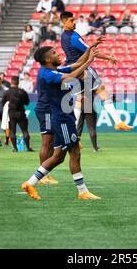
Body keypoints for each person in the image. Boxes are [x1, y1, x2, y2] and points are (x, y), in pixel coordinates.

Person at [21, 43, 101, 200]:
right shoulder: (48, 74)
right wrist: (89, 61)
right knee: (74, 152)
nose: (58, 54)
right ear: (47, 59)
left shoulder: (52, 70)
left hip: (64, 117)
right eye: (54, 52)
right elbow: (72, 76)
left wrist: (89, 50)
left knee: (58, 156)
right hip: (63, 119)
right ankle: (82, 191)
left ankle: (31, 182)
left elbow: (75, 66)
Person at [60, 11, 133, 131]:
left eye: (74, 20)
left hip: (73, 70)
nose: (75, 23)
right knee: (104, 94)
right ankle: (118, 122)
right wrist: (109, 57)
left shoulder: (63, 36)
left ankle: (72, 134)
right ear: (64, 21)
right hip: (83, 69)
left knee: (79, 101)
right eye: (71, 20)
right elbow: (91, 51)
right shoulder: (73, 37)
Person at [2, 76, 32, 152]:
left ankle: (15, 148)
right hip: (21, 113)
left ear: (11, 82)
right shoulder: (22, 92)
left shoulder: (7, 92)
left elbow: (3, 103)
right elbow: (27, 103)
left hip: (11, 114)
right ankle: (28, 148)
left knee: (12, 131)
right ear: (18, 82)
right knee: (25, 131)